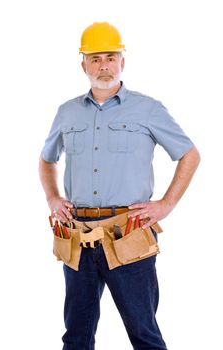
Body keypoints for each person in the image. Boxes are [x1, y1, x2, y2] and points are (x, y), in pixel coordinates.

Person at [39, 22, 200, 350]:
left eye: (110, 56)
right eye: (95, 58)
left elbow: (189, 155)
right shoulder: (66, 112)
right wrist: (53, 197)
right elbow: (46, 159)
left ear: (122, 61)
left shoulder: (148, 109)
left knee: (144, 334)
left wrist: (165, 205)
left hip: (129, 231)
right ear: (83, 64)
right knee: (76, 337)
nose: (103, 65)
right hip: (78, 235)